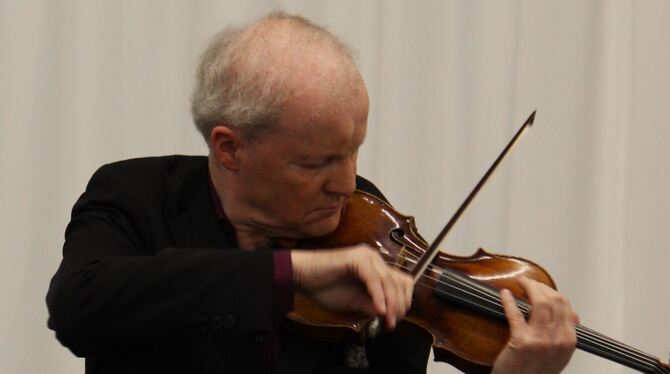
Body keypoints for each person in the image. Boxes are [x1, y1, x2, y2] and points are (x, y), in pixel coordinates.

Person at [46, 11, 579, 374]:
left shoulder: (373, 228)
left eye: (353, 152)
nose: (347, 184)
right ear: (230, 148)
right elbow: (78, 308)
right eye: (317, 162)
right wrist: (296, 275)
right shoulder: (135, 195)